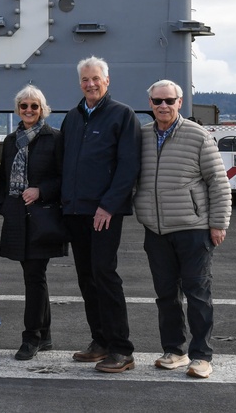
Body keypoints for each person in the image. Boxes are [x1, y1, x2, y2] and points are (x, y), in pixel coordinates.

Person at [135, 80, 232, 379]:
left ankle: (201, 355)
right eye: (157, 101)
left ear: (180, 102)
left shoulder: (198, 136)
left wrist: (218, 223)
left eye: (169, 100)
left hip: (193, 228)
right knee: (165, 294)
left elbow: (218, 182)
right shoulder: (141, 136)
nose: (162, 106)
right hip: (156, 229)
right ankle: (174, 350)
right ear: (149, 103)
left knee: (198, 293)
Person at [60, 56, 141, 373]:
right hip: (76, 211)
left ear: (107, 81)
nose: (90, 84)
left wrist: (108, 205)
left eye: (95, 78)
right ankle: (101, 341)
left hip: (104, 212)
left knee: (105, 276)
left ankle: (122, 349)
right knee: (86, 278)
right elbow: (63, 161)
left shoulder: (122, 115)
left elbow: (128, 167)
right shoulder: (73, 118)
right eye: (85, 80)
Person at [0, 85, 67, 360]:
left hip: (42, 216)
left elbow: (62, 178)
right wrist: (3, 206)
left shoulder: (55, 139)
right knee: (35, 277)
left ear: (43, 109)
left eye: (34, 106)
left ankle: (31, 338)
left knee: (34, 277)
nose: (28, 110)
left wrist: (41, 190)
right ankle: (44, 334)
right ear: (18, 109)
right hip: (17, 217)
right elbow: (3, 177)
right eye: (23, 106)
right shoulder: (12, 140)